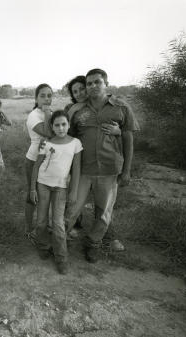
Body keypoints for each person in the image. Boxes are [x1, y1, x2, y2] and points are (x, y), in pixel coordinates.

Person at [66, 68, 139, 263]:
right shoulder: (77, 110)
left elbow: (128, 138)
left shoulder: (121, 107)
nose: (92, 86)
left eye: (97, 82)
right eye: (89, 83)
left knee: (104, 211)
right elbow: (67, 138)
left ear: (106, 83)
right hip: (82, 169)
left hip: (109, 169)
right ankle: (59, 238)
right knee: (72, 206)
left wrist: (127, 171)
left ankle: (93, 243)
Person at [64, 76, 123, 252]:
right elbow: (64, 133)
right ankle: (62, 236)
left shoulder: (110, 106)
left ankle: (97, 241)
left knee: (104, 206)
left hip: (107, 166)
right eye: (75, 91)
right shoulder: (72, 110)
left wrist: (118, 131)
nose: (81, 92)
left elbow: (126, 133)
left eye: (83, 88)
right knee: (73, 204)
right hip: (80, 165)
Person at [29, 111, 82, 274]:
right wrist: (32, 188)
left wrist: (74, 191)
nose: (61, 128)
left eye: (64, 124)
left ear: (68, 125)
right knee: (41, 221)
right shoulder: (46, 143)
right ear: (52, 127)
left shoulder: (75, 143)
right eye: (57, 125)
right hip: (43, 184)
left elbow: (77, 169)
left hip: (61, 188)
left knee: (58, 224)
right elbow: (36, 166)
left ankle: (61, 258)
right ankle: (43, 246)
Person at [25, 83, 54, 234]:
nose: (46, 99)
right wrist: (48, 113)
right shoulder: (34, 115)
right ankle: (29, 229)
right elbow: (48, 133)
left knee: (46, 194)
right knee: (32, 194)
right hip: (33, 160)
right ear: (36, 98)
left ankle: (44, 224)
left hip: (49, 161)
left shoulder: (51, 112)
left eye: (49, 95)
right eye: (42, 96)